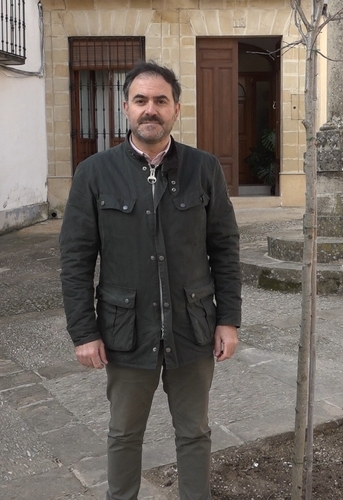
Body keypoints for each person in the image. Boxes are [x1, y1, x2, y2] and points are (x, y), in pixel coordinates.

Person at [59, 60, 242, 500]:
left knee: (194, 432)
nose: (150, 110)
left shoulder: (204, 168)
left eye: (161, 101)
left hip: (193, 328)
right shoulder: (94, 173)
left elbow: (225, 248)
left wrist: (229, 320)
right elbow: (76, 259)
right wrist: (84, 332)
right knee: (123, 433)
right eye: (141, 100)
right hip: (125, 332)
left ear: (176, 109)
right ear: (126, 107)